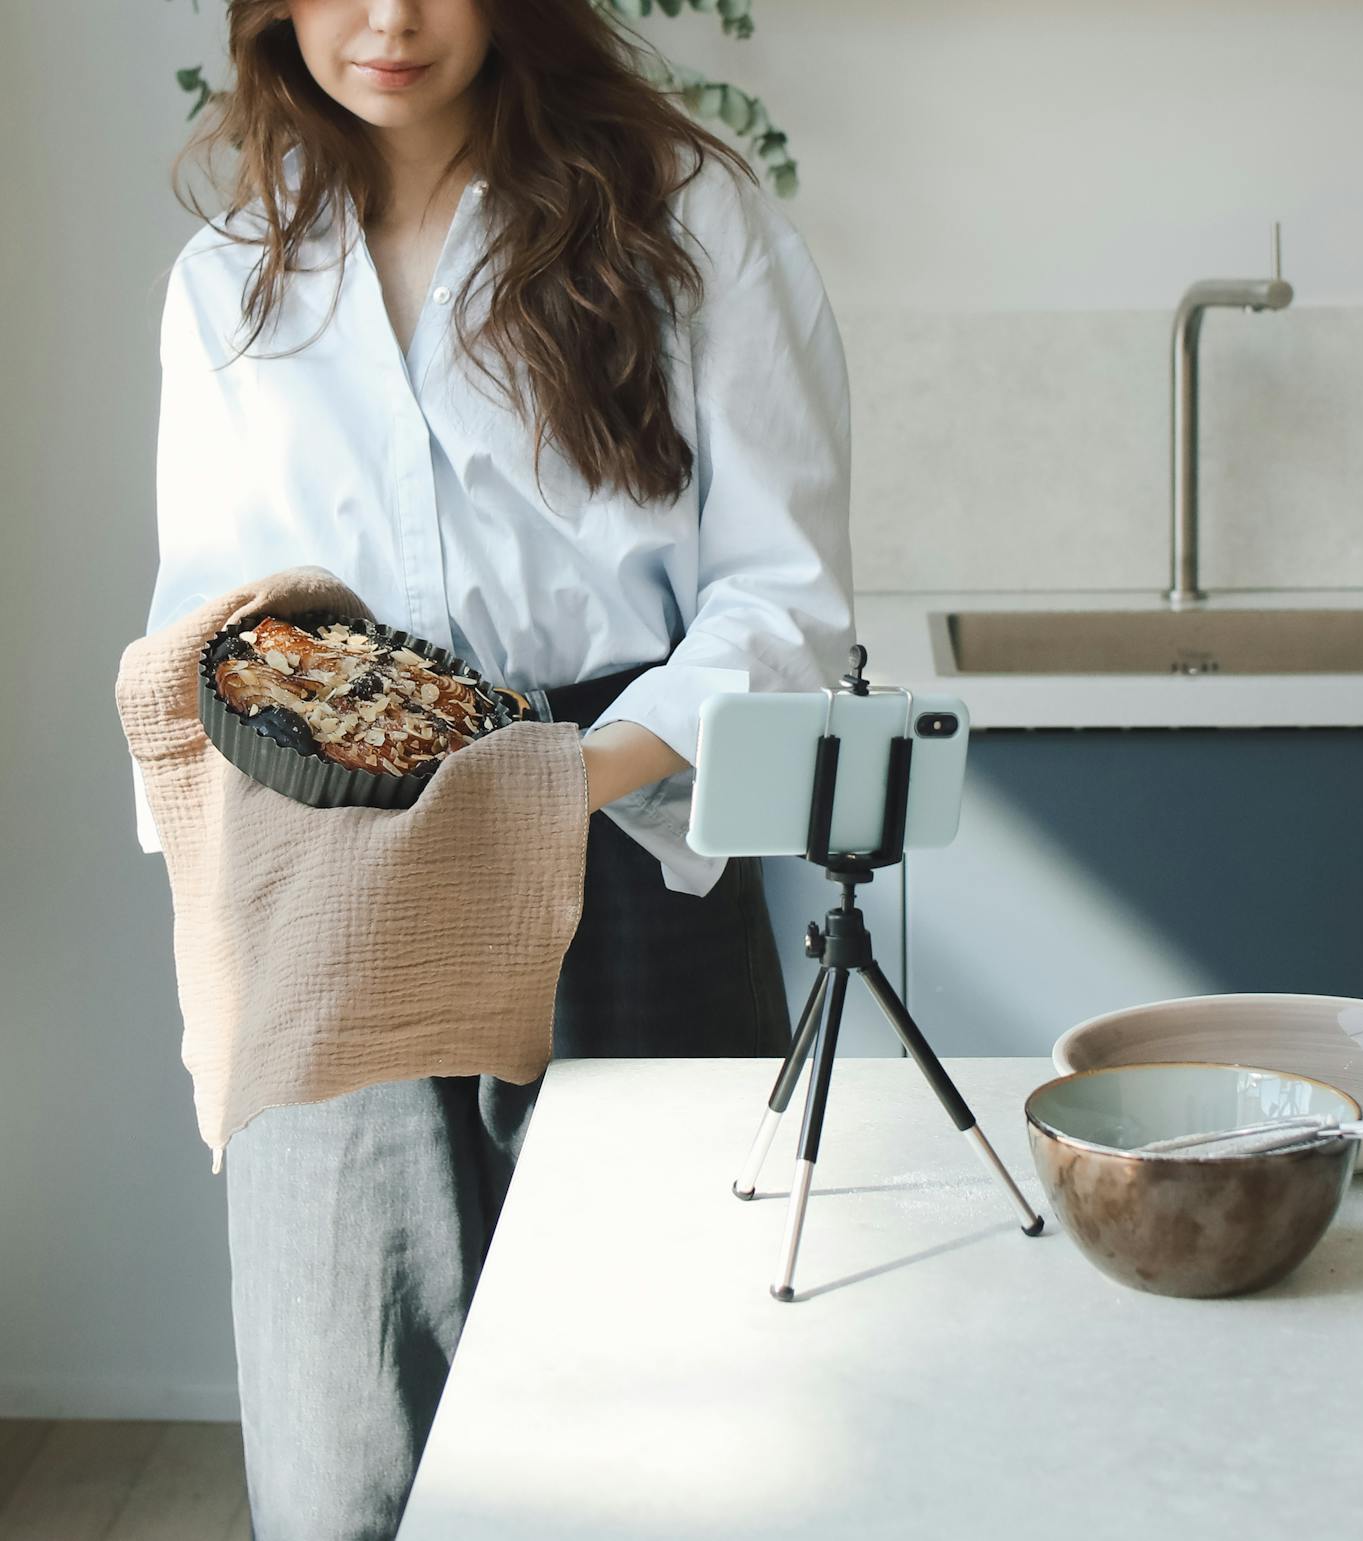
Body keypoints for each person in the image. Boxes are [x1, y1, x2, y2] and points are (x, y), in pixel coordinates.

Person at [131, 1, 854, 1535]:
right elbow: (212, 621)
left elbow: (782, 598)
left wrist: (557, 790)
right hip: (335, 876)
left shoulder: (680, 217)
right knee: (347, 1441)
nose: (386, 20)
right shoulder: (230, 282)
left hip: (626, 850)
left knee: (670, 1416)